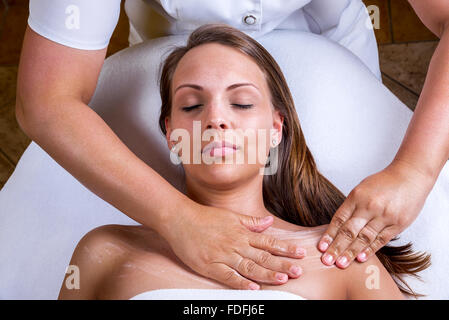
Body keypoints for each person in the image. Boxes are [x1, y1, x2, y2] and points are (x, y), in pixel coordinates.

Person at [17, 0, 448, 291]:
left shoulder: (347, 265)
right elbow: (47, 100)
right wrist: (175, 218)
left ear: (279, 127)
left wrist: (415, 170)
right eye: (191, 105)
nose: (217, 118)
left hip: (335, 57)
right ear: (168, 130)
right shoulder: (103, 255)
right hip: (167, 45)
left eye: (241, 102)